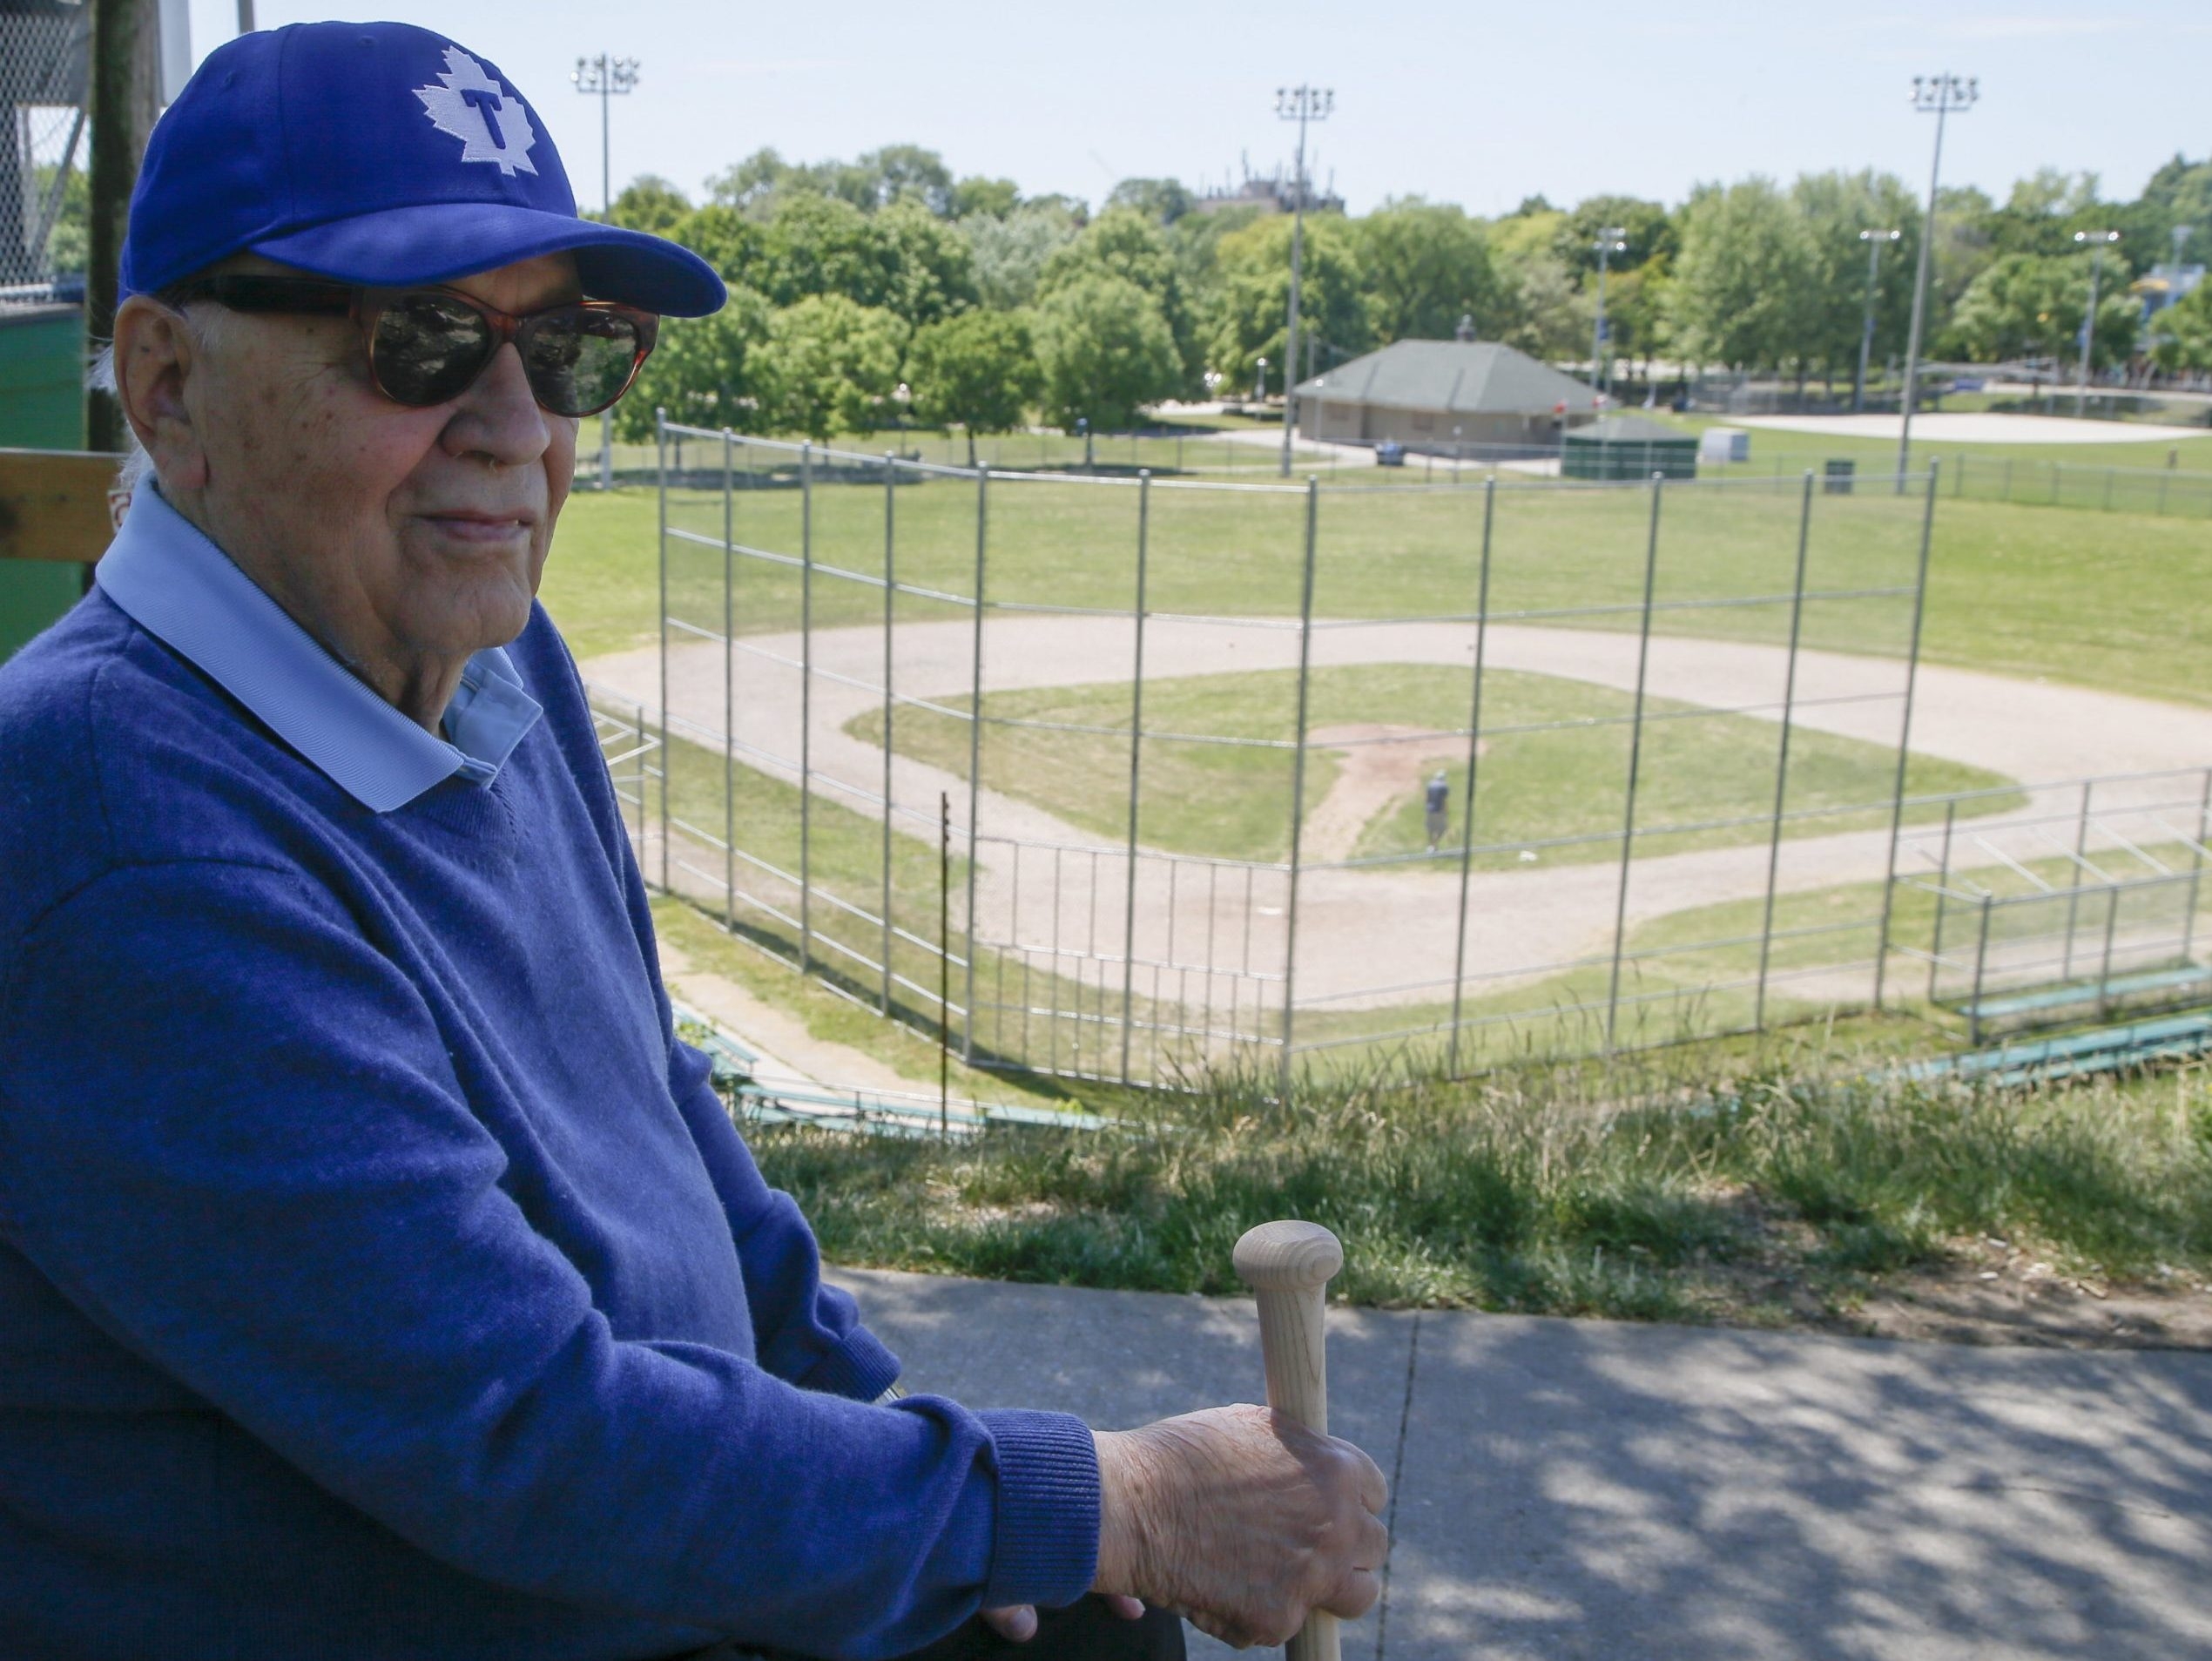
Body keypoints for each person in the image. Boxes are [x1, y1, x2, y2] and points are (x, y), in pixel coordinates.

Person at [0, 24, 1386, 1661]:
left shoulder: (499, 666)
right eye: (423, 340)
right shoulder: (114, 831)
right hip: (499, 1589)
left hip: (613, 1572)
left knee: (1075, 1631)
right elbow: (527, 1437)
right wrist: (1099, 1496)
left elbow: (659, 1113)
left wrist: (932, 1467)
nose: (522, 426)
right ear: (169, 385)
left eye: (570, 348)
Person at [1425, 769, 1451, 853]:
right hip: (1439, 810)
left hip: (1429, 810)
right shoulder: (1443, 786)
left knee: (1431, 828)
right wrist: (1446, 811)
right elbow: (1444, 800)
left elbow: (1427, 798)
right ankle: (1434, 845)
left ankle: (1430, 846)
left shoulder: (1430, 785)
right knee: (1442, 829)